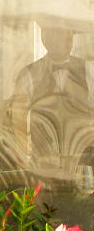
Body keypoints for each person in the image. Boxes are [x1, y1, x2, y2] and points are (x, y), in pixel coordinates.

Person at [8, 22, 94, 185]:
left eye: (69, 37)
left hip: (82, 166)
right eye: (60, 36)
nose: (67, 41)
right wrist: (23, 157)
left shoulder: (89, 70)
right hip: (42, 168)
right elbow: (17, 120)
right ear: (45, 39)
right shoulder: (28, 74)